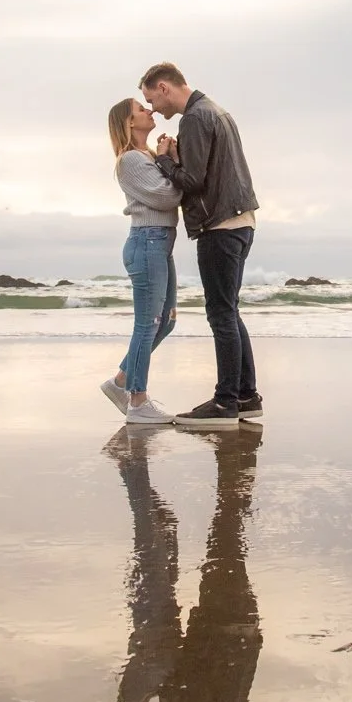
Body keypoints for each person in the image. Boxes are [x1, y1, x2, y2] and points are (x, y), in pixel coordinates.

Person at [104, 425, 263, 702]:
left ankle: (234, 465)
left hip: (230, 626)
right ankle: (235, 464)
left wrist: (175, 687)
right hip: (227, 625)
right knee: (224, 537)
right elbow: (214, 672)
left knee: (223, 538)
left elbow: (200, 671)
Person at [139, 62, 261, 429]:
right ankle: (246, 397)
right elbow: (206, 170)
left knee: (220, 314)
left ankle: (225, 403)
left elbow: (192, 181)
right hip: (241, 221)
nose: (155, 110)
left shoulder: (193, 118)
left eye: (151, 99)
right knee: (230, 311)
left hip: (219, 225)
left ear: (164, 87)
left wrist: (163, 161)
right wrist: (179, 160)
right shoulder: (217, 111)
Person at [102, 96, 180, 426]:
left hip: (159, 244)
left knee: (167, 321)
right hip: (146, 242)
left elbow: (168, 191)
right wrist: (167, 163)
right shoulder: (131, 160)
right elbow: (168, 196)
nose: (149, 111)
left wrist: (167, 159)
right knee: (147, 324)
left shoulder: (145, 156)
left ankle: (121, 381)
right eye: (141, 109)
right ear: (129, 123)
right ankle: (137, 400)